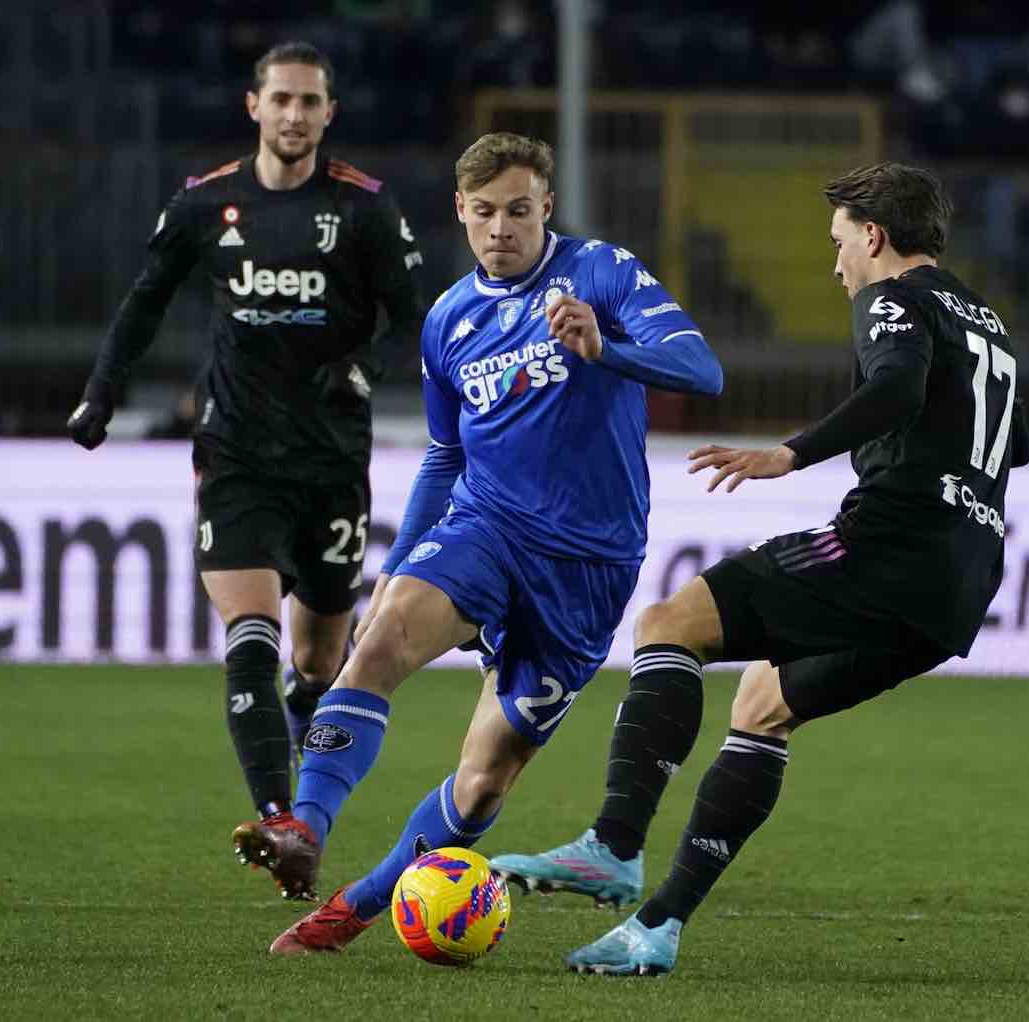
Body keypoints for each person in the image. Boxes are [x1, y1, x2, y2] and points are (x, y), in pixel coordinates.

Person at [490, 161, 1029, 976]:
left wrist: (790, 453)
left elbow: (897, 388)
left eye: (839, 242)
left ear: (874, 236)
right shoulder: (984, 322)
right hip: (961, 586)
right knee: (763, 704)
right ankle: (656, 928)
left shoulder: (893, 299)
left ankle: (613, 844)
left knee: (669, 624)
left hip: (889, 548)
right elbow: (1014, 445)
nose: (836, 264)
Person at [246, 131, 724, 954]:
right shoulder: (448, 320)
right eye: (485, 212)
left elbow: (703, 369)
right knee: (377, 644)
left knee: (481, 784)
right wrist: (400, 563)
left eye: (518, 211)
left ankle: (355, 908)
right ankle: (304, 827)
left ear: (547, 208)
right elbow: (445, 454)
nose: (501, 227)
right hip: (487, 527)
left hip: (587, 567)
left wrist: (605, 348)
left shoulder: (600, 273)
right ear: (461, 212)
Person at [65, 41, 425, 899]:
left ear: (329, 113)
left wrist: (364, 367)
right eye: (282, 99)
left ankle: (301, 741)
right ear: (253, 106)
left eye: (310, 102)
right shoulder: (204, 203)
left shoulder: (364, 208)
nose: (295, 114)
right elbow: (144, 302)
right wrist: (100, 395)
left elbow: (418, 319)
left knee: (319, 659)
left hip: (332, 460)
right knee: (250, 637)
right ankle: (282, 821)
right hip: (235, 454)